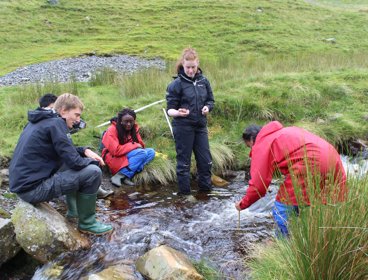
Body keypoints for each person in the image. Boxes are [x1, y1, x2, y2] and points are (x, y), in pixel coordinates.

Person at [9, 93, 113, 235]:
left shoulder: (40, 120)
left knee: (71, 165)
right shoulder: (56, 123)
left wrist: (85, 150)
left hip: (22, 186)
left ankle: (74, 212)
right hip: (33, 190)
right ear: (63, 111)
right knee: (93, 172)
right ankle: (88, 223)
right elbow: (74, 162)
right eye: (76, 115)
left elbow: (64, 151)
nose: (78, 120)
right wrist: (94, 162)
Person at [235, 121, 347, 237]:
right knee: (319, 205)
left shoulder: (262, 144)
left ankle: (283, 246)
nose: (251, 150)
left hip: (311, 163)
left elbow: (258, 186)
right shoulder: (286, 131)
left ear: (252, 140)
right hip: (333, 158)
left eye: (249, 146)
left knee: (281, 208)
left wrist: (242, 204)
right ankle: (314, 238)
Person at [38, 93, 113, 199]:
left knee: (74, 163)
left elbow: (65, 147)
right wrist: (93, 162)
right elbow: (72, 159)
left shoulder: (42, 122)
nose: (54, 112)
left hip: (39, 173)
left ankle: (78, 203)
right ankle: (78, 203)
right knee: (79, 168)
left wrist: (83, 150)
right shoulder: (52, 124)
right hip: (43, 176)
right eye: (52, 109)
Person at [166, 47, 215, 195]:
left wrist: (207, 107)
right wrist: (179, 113)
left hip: (200, 126)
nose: (191, 70)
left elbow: (211, 100)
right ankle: (185, 196)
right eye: (188, 67)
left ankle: (205, 193)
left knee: (205, 161)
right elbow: (170, 110)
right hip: (183, 127)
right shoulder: (176, 84)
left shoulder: (204, 81)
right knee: (184, 163)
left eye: (193, 67)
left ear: (197, 64)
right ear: (183, 64)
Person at [101, 108, 155, 187]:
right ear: (120, 121)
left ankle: (126, 176)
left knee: (151, 152)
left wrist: (134, 146)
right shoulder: (112, 129)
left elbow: (141, 145)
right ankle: (118, 175)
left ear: (134, 120)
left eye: (131, 121)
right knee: (142, 153)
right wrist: (134, 145)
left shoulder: (134, 128)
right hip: (112, 157)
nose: (129, 124)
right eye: (126, 121)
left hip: (126, 155)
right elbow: (115, 151)